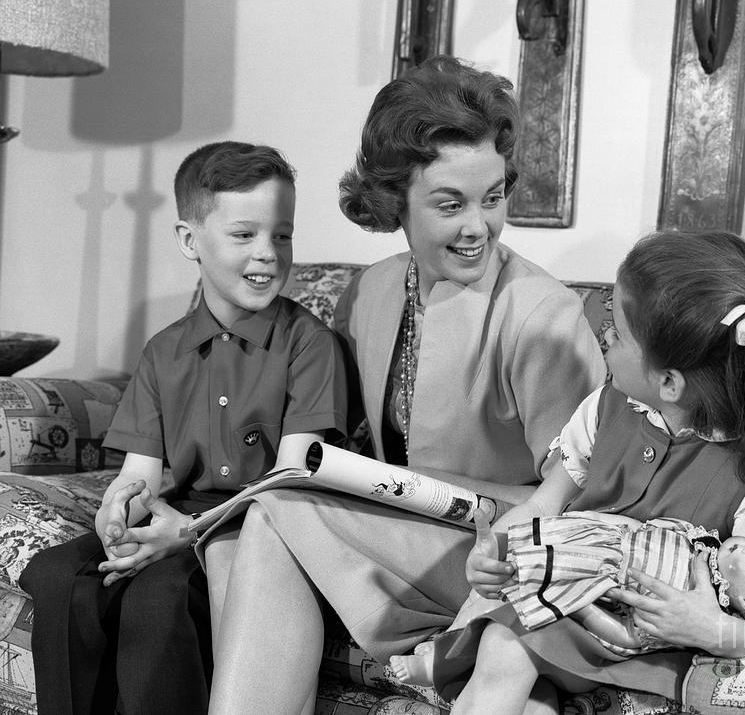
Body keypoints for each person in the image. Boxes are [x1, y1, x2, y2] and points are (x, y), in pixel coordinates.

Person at [198, 56, 607, 715]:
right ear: (395, 201)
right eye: (451, 204)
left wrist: (431, 494)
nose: (479, 227)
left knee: (276, 513)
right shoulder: (372, 290)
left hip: (508, 554)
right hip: (405, 534)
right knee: (233, 534)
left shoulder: (543, 314)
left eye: (494, 198)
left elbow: (581, 500)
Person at [389, 229, 745, 714]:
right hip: (566, 592)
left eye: (617, 333)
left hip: (630, 636)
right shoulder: (605, 407)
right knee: (529, 697)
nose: (604, 336)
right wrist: (495, 553)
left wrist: (707, 627)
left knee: (504, 645)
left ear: (669, 381)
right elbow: (545, 504)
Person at [19, 141, 348, 715]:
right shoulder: (162, 352)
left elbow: (292, 484)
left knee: (158, 598)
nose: (268, 253)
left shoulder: (310, 346)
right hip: (182, 510)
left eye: (283, 235)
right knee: (57, 574)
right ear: (190, 241)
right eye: (245, 235)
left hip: (264, 526)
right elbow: (140, 475)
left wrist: (189, 531)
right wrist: (120, 510)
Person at [390, 511, 745, 688]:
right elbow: (639, 525)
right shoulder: (703, 540)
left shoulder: (692, 604)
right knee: (509, 627)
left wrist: (580, 602)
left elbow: (628, 637)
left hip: (590, 609)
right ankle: (442, 658)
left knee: (512, 627)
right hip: (584, 553)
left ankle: (438, 664)